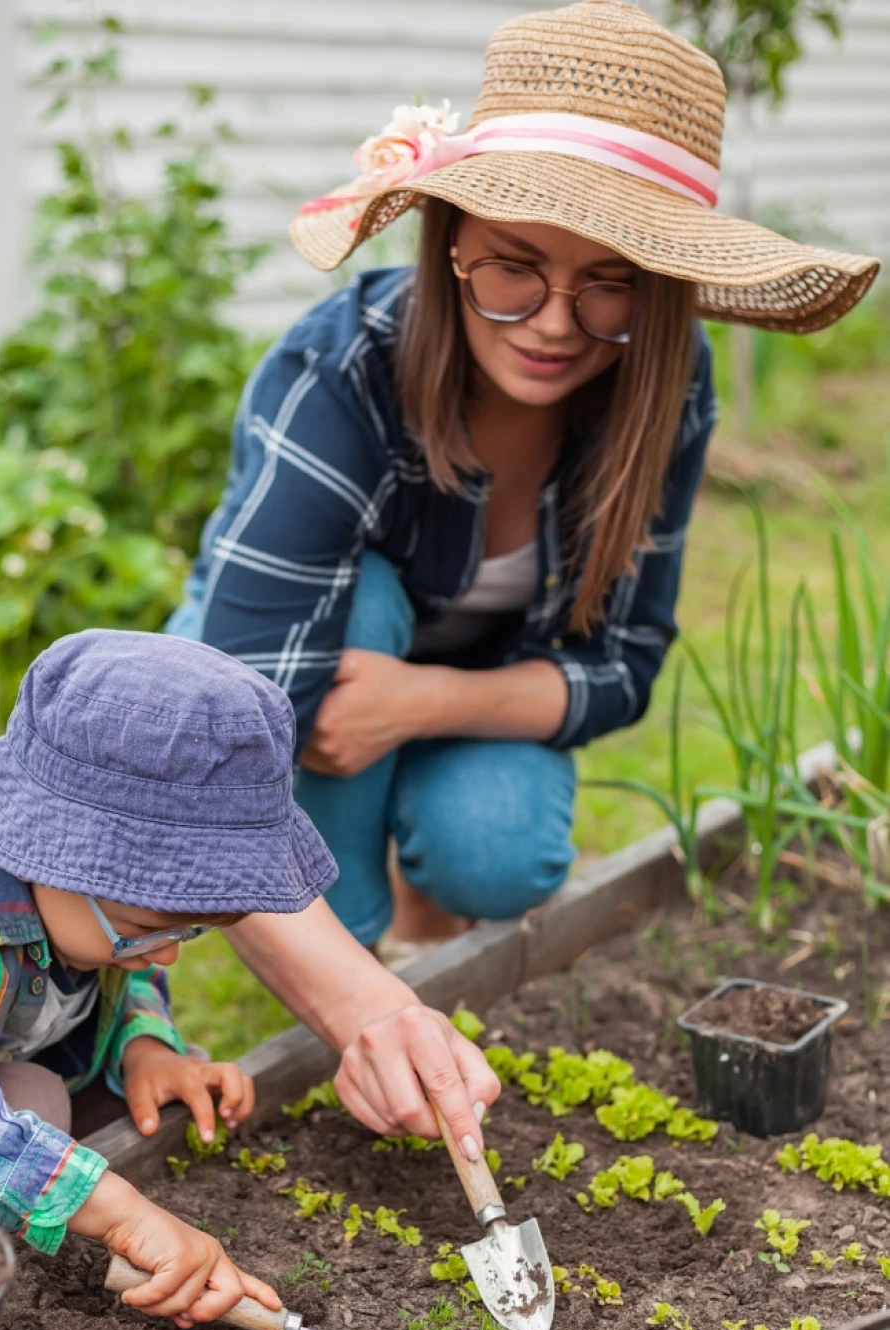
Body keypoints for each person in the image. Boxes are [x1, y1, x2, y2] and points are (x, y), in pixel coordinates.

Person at [167, 0, 877, 962]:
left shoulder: (667, 382)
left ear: (663, 286)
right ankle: (363, 936)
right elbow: (249, 709)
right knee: (364, 604)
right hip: (293, 666)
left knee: (500, 856)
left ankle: (428, 912)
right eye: (515, 267)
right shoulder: (340, 373)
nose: (553, 323)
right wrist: (354, 989)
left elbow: (621, 665)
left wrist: (422, 702)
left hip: (467, 680)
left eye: (612, 283)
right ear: (452, 239)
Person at [0, 631, 497, 1325]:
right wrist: (118, 1212)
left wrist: (146, 1047)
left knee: (113, 1098)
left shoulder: (84, 914)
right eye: (146, 929)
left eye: (192, 932)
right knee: (35, 1102)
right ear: (51, 852)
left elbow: (117, 965)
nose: (167, 957)